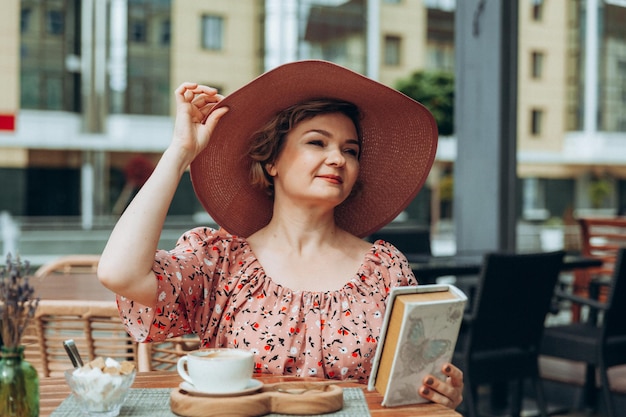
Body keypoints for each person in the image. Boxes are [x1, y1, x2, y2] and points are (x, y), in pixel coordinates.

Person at [98, 60, 464, 409]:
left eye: (350, 151)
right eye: (317, 143)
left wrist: (438, 391)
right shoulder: (220, 262)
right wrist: (180, 153)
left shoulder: (386, 270)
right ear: (271, 160)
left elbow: (409, 389)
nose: (338, 159)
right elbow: (119, 273)